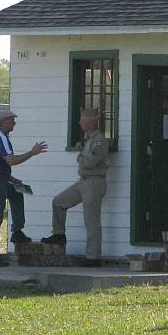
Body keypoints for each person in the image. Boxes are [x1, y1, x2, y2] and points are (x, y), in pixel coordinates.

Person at [41, 108, 109, 267]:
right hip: (83, 181)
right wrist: (82, 150)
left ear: (91, 122)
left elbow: (90, 162)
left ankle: (93, 257)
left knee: (91, 220)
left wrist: (80, 155)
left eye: (83, 120)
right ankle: (58, 234)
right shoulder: (87, 139)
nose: (80, 123)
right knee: (59, 202)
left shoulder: (99, 140)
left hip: (94, 182)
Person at [0, 109, 48, 267]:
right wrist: (32, 152)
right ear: (4, 122)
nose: (14, 123)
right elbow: (10, 161)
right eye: (12, 120)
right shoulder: (1, 137)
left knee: (17, 194)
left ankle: (17, 232)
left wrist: (11, 179)